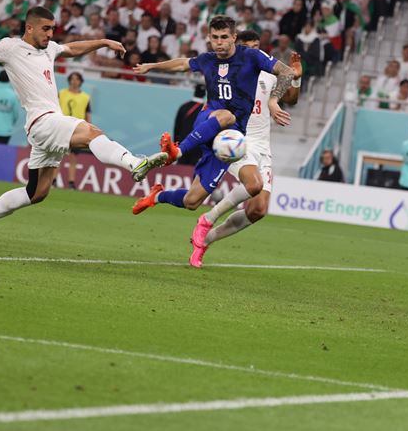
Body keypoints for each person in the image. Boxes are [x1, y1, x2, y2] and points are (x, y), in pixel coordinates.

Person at [0, 6, 166, 244]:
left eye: (52, 29)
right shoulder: (10, 47)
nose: (50, 34)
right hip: (42, 121)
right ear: (29, 27)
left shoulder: (49, 49)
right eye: (46, 29)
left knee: (36, 193)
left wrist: (104, 41)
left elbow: (73, 48)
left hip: (46, 125)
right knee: (91, 132)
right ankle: (134, 163)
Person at [129, 16, 296, 215]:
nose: (219, 42)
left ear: (234, 37)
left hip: (229, 137)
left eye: (224, 37)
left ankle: (156, 196)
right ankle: (177, 152)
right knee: (227, 115)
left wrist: (273, 100)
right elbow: (182, 64)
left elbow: (287, 72)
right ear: (209, 37)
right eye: (215, 37)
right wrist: (152, 66)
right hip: (210, 120)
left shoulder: (251, 57)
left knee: (192, 201)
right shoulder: (207, 60)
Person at [187, 30, 302, 268]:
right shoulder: (230, 74)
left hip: (263, 146)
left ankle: (207, 239)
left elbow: (291, 98)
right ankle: (207, 218)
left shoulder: (269, 74)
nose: (255, 51)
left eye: (258, 46)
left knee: (259, 209)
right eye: (249, 47)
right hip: (238, 140)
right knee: (253, 185)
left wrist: (296, 78)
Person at [59, 72, 91, 189]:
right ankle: (53, 180)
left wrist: (88, 129)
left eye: (77, 79)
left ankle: (71, 182)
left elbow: (87, 115)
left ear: (80, 81)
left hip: (76, 130)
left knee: (73, 156)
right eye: (72, 79)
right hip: (61, 128)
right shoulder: (61, 93)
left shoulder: (85, 97)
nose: (74, 81)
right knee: (58, 155)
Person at [173, 84, 207, 166]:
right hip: (197, 145)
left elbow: (177, 127)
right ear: (204, 94)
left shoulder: (184, 107)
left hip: (183, 144)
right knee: (193, 171)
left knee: (180, 169)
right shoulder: (206, 110)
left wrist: (176, 144)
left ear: (194, 92)